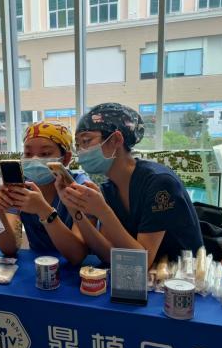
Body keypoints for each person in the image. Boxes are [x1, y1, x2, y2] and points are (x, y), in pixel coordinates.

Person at [57, 102, 203, 266]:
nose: (81, 151)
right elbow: (109, 254)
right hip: (139, 278)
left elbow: (142, 262)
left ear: (116, 139)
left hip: (181, 276)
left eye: (86, 141)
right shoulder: (109, 190)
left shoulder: (159, 183)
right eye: (78, 145)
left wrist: (103, 211)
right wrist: (74, 208)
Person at [0, 121, 89, 264]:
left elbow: (77, 255)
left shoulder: (80, 187)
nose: (35, 160)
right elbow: (9, 249)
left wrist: (44, 211)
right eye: (28, 153)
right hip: (38, 264)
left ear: (66, 158)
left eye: (45, 154)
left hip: (78, 271)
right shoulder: (21, 187)